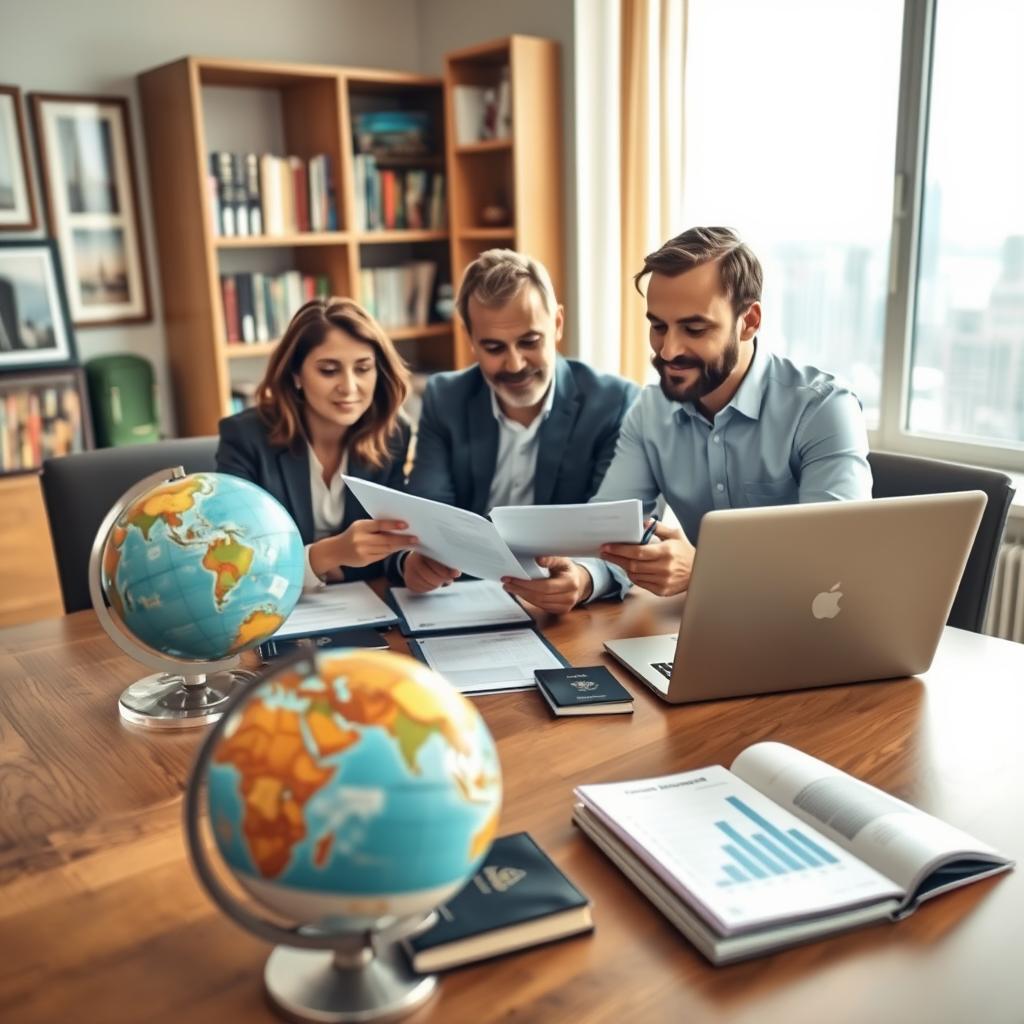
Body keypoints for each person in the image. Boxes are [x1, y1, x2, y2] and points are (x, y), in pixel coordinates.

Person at [502, 225, 873, 613]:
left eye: (694, 329)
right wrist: (582, 578)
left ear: (749, 321)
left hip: (812, 630)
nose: (668, 350)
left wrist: (705, 569)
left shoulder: (823, 410)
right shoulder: (650, 412)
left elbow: (833, 562)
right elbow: (610, 534)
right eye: (658, 326)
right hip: (706, 627)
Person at [402, 248, 640, 592]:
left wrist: (586, 580)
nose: (514, 365)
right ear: (471, 341)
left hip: (569, 603)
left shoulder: (615, 403)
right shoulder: (445, 397)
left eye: (529, 342)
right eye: (494, 348)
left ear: (557, 324)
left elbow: (623, 533)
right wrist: (417, 561)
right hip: (461, 595)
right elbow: (427, 515)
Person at [216, 297, 416, 589]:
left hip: (365, 604)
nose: (349, 387)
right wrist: (327, 556)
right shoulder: (245, 437)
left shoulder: (394, 432)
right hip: (272, 607)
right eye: (329, 370)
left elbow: (390, 548)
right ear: (296, 375)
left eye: (363, 368)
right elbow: (237, 558)